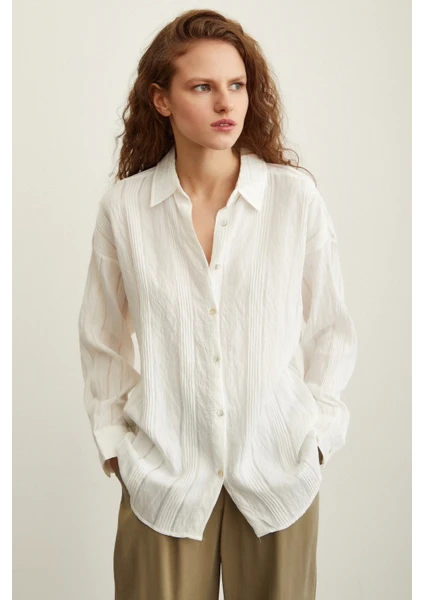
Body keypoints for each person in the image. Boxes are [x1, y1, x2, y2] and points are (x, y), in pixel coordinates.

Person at [77, 8, 358, 600]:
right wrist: (118, 448)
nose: (226, 102)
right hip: (164, 479)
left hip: (278, 474)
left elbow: (330, 329)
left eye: (236, 84)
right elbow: (102, 337)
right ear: (161, 100)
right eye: (202, 87)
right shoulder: (125, 209)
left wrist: (317, 437)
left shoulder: (294, 199)